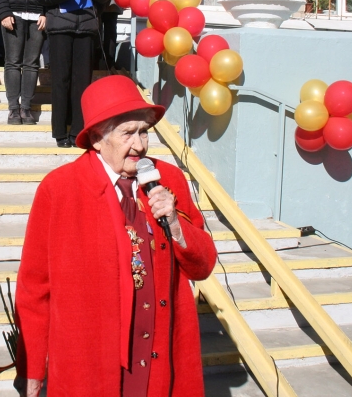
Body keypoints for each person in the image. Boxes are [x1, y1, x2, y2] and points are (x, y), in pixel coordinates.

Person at [14, 75, 217, 397]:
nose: (140, 145)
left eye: (144, 132)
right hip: (92, 362)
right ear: (97, 139)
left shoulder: (169, 179)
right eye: (128, 133)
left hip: (160, 356)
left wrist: (177, 226)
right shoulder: (60, 189)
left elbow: (203, 266)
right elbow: (34, 287)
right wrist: (33, 366)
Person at [36, 0, 113, 147]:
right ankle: (60, 131)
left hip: (85, 28)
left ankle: (78, 131)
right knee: (61, 80)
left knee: (82, 82)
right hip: (60, 27)